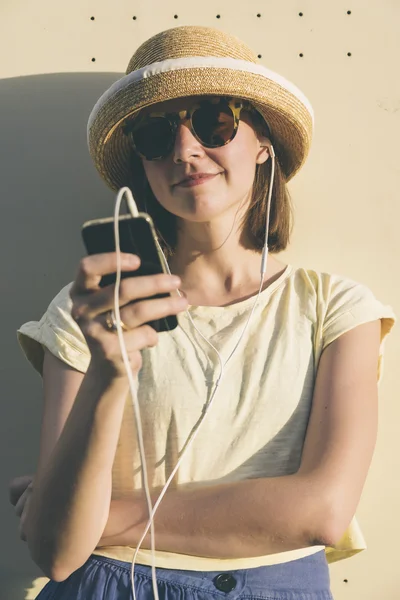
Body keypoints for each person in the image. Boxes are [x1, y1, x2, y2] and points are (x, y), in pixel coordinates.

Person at [9, 24, 397, 600]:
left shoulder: (335, 308)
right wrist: (112, 371)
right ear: (141, 166)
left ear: (264, 143)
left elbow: (323, 509)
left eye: (216, 120)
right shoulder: (92, 307)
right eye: (156, 134)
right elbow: (61, 551)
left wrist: (104, 516)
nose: (185, 150)